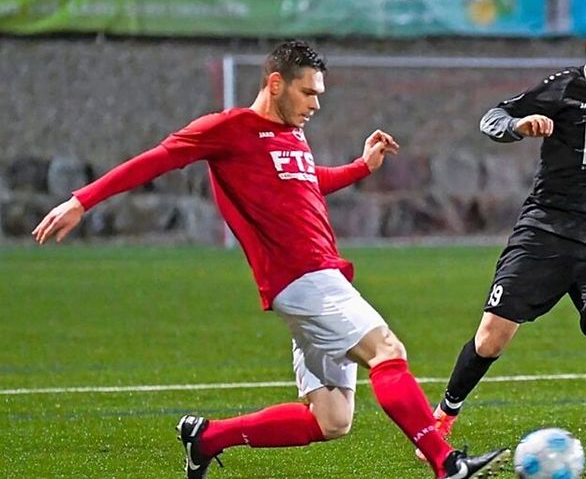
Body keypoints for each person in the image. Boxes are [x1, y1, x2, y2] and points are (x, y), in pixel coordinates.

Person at [32, 41, 509, 479]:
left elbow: (307, 181)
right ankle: (446, 464)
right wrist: (81, 200)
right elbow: (156, 159)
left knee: (332, 420)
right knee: (388, 351)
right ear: (275, 83)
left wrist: (362, 168)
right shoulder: (229, 129)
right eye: (308, 93)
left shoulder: (292, 134)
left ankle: (207, 437)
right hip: (304, 278)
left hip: (316, 280)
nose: (315, 104)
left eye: (319, 94)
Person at [421, 15, 586, 479]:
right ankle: (442, 417)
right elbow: (492, 118)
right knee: (491, 338)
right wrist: (519, 126)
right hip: (546, 235)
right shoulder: (563, 89)